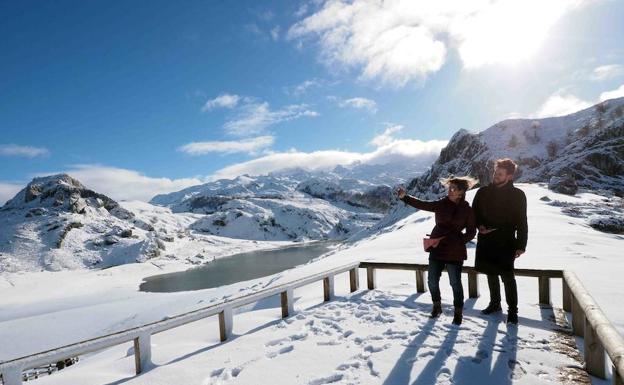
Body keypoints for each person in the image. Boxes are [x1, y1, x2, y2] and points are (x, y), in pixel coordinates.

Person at [397, 177, 477, 325]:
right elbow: (423, 204)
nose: (450, 190)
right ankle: (436, 306)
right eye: (449, 187)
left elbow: (472, 231)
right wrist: (405, 197)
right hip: (437, 247)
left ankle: (458, 312)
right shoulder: (441, 203)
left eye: (453, 188)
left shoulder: (467, 209)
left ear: (461, 192)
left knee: (455, 282)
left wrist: (460, 241)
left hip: (455, 250)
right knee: (432, 280)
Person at [473, 158, 528, 325]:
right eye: (495, 172)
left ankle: (512, 312)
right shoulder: (482, 192)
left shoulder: (518, 195)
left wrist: (521, 245)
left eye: (500, 174)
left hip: (506, 241)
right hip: (486, 239)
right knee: (490, 273)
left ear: (509, 176)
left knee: (507, 277)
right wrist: (480, 225)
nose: (496, 176)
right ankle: (495, 304)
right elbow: (474, 213)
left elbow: (522, 221)